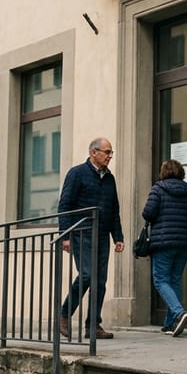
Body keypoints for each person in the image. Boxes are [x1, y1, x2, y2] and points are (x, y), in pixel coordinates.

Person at [58, 137, 124, 340]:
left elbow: (114, 210)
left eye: (111, 152)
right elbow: (65, 205)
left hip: (102, 234)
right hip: (81, 233)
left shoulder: (110, 178)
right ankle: (63, 315)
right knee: (87, 275)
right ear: (93, 152)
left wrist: (118, 237)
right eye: (106, 152)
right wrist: (65, 236)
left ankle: (93, 326)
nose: (109, 156)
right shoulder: (77, 173)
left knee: (100, 282)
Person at [141, 159, 187, 337]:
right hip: (184, 243)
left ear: (163, 172)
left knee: (160, 279)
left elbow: (147, 213)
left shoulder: (158, 189)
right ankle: (170, 323)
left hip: (163, 242)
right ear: (181, 173)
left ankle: (178, 312)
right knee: (174, 280)